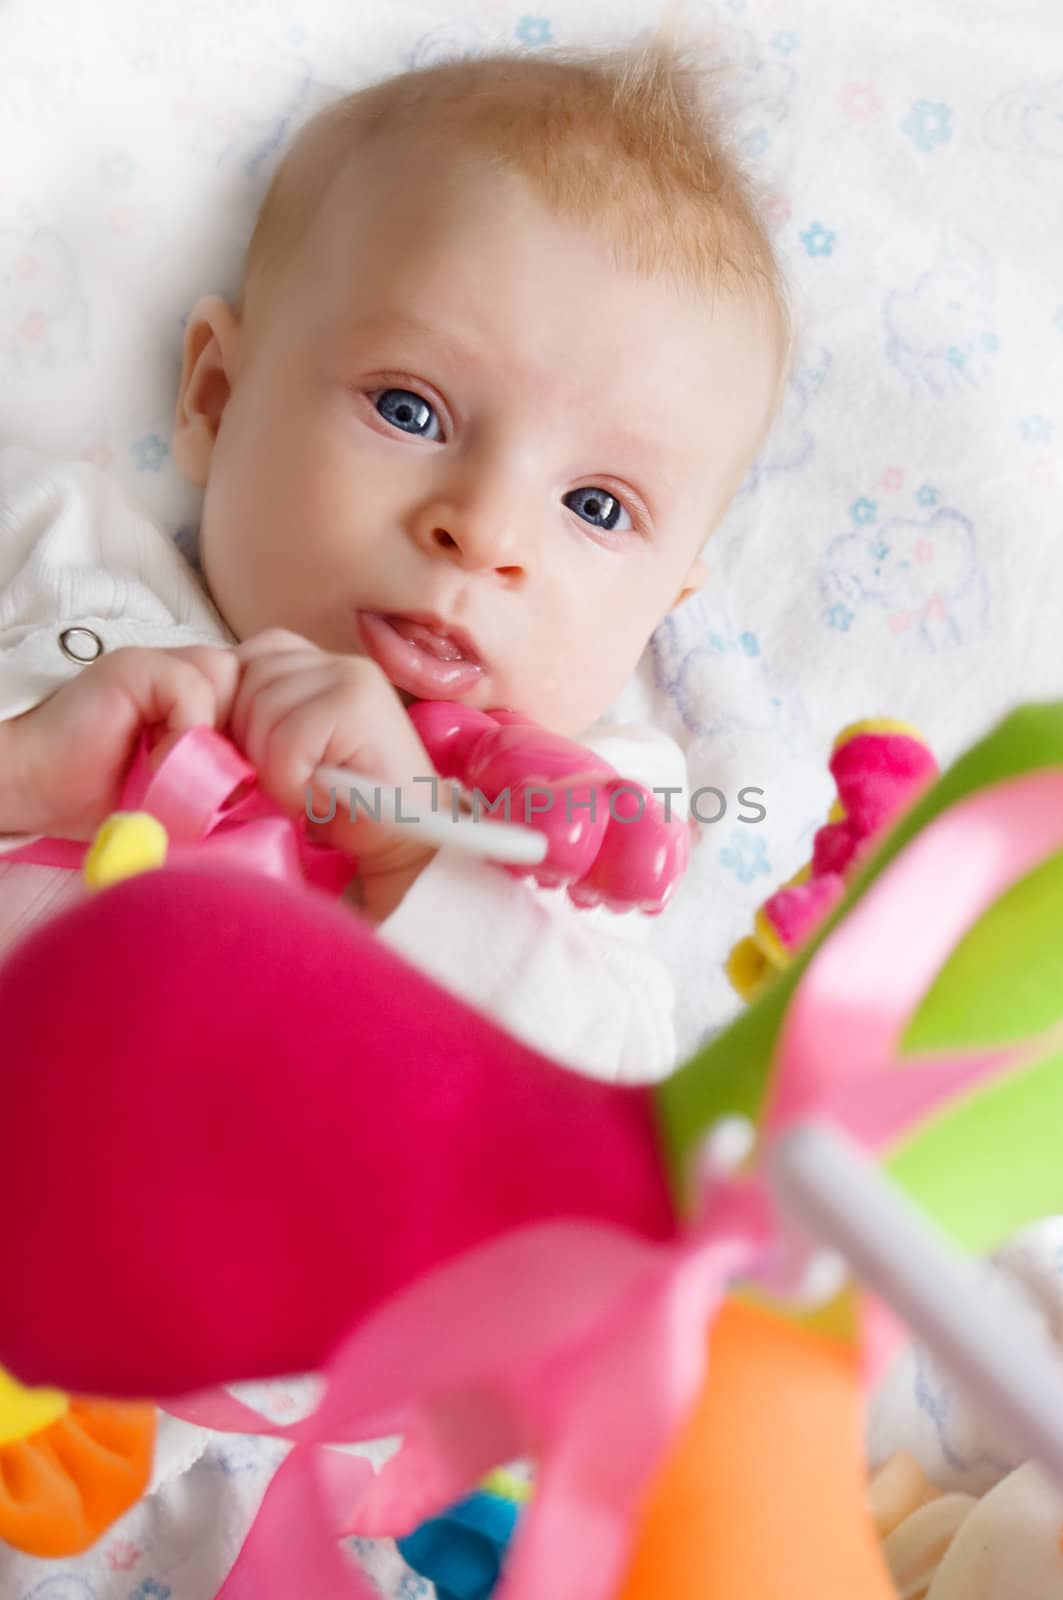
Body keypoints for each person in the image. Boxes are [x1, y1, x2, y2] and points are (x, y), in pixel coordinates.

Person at [0, 45, 789, 1094]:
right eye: (408, 410)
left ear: (659, 607)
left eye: (594, 507)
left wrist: (413, 846)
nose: (484, 531)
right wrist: (26, 771)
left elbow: (601, 1117)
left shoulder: (575, 831)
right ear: (215, 400)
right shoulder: (75, 569)